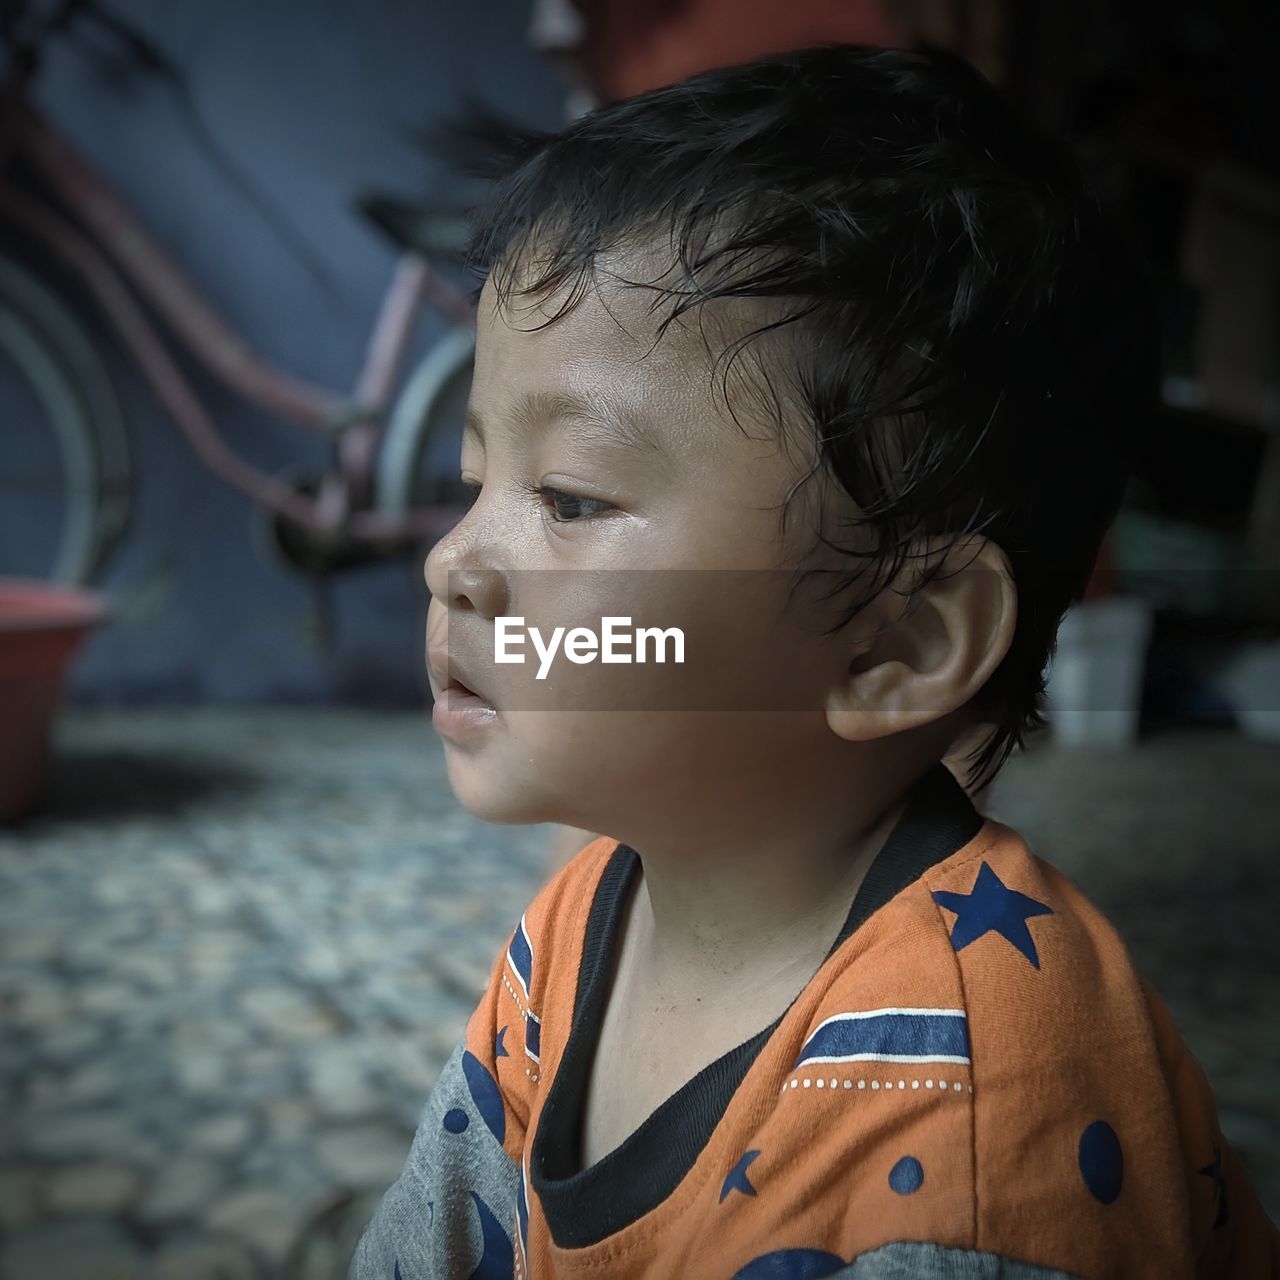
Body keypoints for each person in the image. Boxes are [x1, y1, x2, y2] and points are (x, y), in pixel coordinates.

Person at [350, 44, 1279, 1278]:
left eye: (567, 497)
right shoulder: (574, 926)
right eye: (475, 482)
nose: (455, 561)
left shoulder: (966, 1135)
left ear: (894, 641)